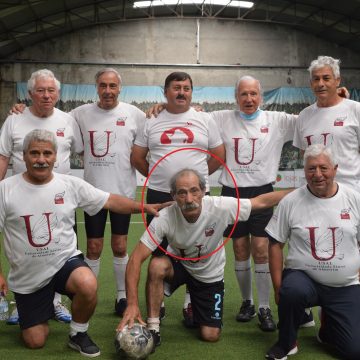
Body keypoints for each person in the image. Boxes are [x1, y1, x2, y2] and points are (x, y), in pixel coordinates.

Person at [0, 129, 166, 357]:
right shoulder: (5, 190)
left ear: (55, 156)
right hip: (29, 276)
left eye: (47, 153)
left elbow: (110, 200)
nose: (41, 159)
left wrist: (143, 207)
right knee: (35, 340)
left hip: (63, 261)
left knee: (87, 283)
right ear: (24, 155)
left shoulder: (69, 184)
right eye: (34, 153)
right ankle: (41, 307)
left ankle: (78, 333)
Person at [118, 168, 292, 348]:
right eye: (182, 193)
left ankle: (197, 304)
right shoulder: (165, 217)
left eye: (194, 191)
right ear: (173, 195)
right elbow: (135, 259)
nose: (189, 199)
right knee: (157, 265)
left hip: (209, 275)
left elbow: (260, 202)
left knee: (210, 335)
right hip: (180, 266)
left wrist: (297, 193)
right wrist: (132, 304)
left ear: (203, 191)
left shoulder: (220, 207)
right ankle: (153, 329)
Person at [130, 71, 225, 325]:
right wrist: (160, 176)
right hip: (160, 195)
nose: (181, 92)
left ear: (191, 92)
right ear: (165, 92)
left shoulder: (204, 118)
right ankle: (156, 303)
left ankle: (190, 303)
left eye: (186, 88)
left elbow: (218, 155)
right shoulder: (151, 119)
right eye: (176, 87)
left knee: (198, 248)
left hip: (197, 196)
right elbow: (138, 157)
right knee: (158, 251)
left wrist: (196, 183)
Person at [210, 76, 297, 332]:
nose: (248, 99)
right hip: (232, 192)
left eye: (253, 94)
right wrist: (158, 108)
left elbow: (312, 118)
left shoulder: (277, 120)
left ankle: (263, 307)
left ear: (261, 96)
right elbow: (191, 116)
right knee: (239, 249)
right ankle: (246, 303)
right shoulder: (221, 118)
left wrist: (340, 99)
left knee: (260, 249)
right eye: (243, 94)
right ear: (236, 97)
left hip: (263, 193)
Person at [0, 69, 83, 324]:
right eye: (40, 90)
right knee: (22, 252)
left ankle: (56, 303)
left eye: (51, 91)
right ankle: (23, 303)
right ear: (30, 93)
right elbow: (3, 157)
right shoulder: (14, 120)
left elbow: (78, 150)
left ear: (58, 94)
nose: (46, 96)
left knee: (59, 251)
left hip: (60, 203)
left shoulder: (68, 120)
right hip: (24, 200)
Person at [265, 144, 360, 360]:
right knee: (292, 291)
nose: (317, 174)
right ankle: (286, 343)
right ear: (304, 170)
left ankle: (326, 330)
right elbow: (275, 244)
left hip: (344, 285)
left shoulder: (354, 199)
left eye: (323, 168)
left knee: (354, 351)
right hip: (304, 279)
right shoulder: (290, 202)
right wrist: (278, 286)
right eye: (311, 169)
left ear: (335, 169)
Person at [70, 68, 145, 317]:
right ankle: (88, 296)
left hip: (122, 193)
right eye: (103, 85)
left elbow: (152, 132)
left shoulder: (135, 114)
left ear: (120, 88)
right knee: (93, 247)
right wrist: (20, 109)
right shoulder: (80, 114)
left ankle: (122, 297)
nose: (108, 91)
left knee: (120, 245)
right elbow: (53, 118)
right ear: (96, 87)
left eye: (112, 86)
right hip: (93, 195)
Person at [293, 55, 360, 192]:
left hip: (351, 192)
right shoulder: (304, 116)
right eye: (316, 79)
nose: (320, 83)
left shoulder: (355, 110)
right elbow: (304, 154)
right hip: (316, 194)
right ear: (311, 83)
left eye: (326, 78)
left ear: (337, 80)